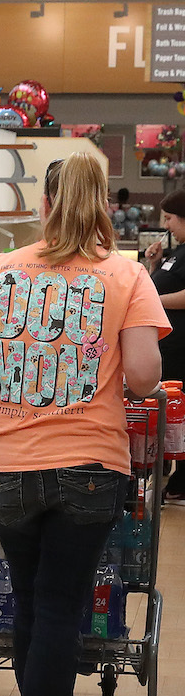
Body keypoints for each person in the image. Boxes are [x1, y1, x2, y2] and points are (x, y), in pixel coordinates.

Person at [0, 153, 168, 696]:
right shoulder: (127, 275)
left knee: (31, 595)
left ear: (43, 206)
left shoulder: (1, 269)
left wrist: (12, 357)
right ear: (103, 206)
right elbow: (145, 377)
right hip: (90, 466)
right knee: (61, 604)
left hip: (11, 465)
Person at [144, 189, 185, 502]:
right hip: (165, 349)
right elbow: (161, 283)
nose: (167, 225)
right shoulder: (176, 251)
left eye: (170, 218)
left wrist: (152, 301)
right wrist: (154, 263)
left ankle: (179, 482)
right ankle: (164, 476)